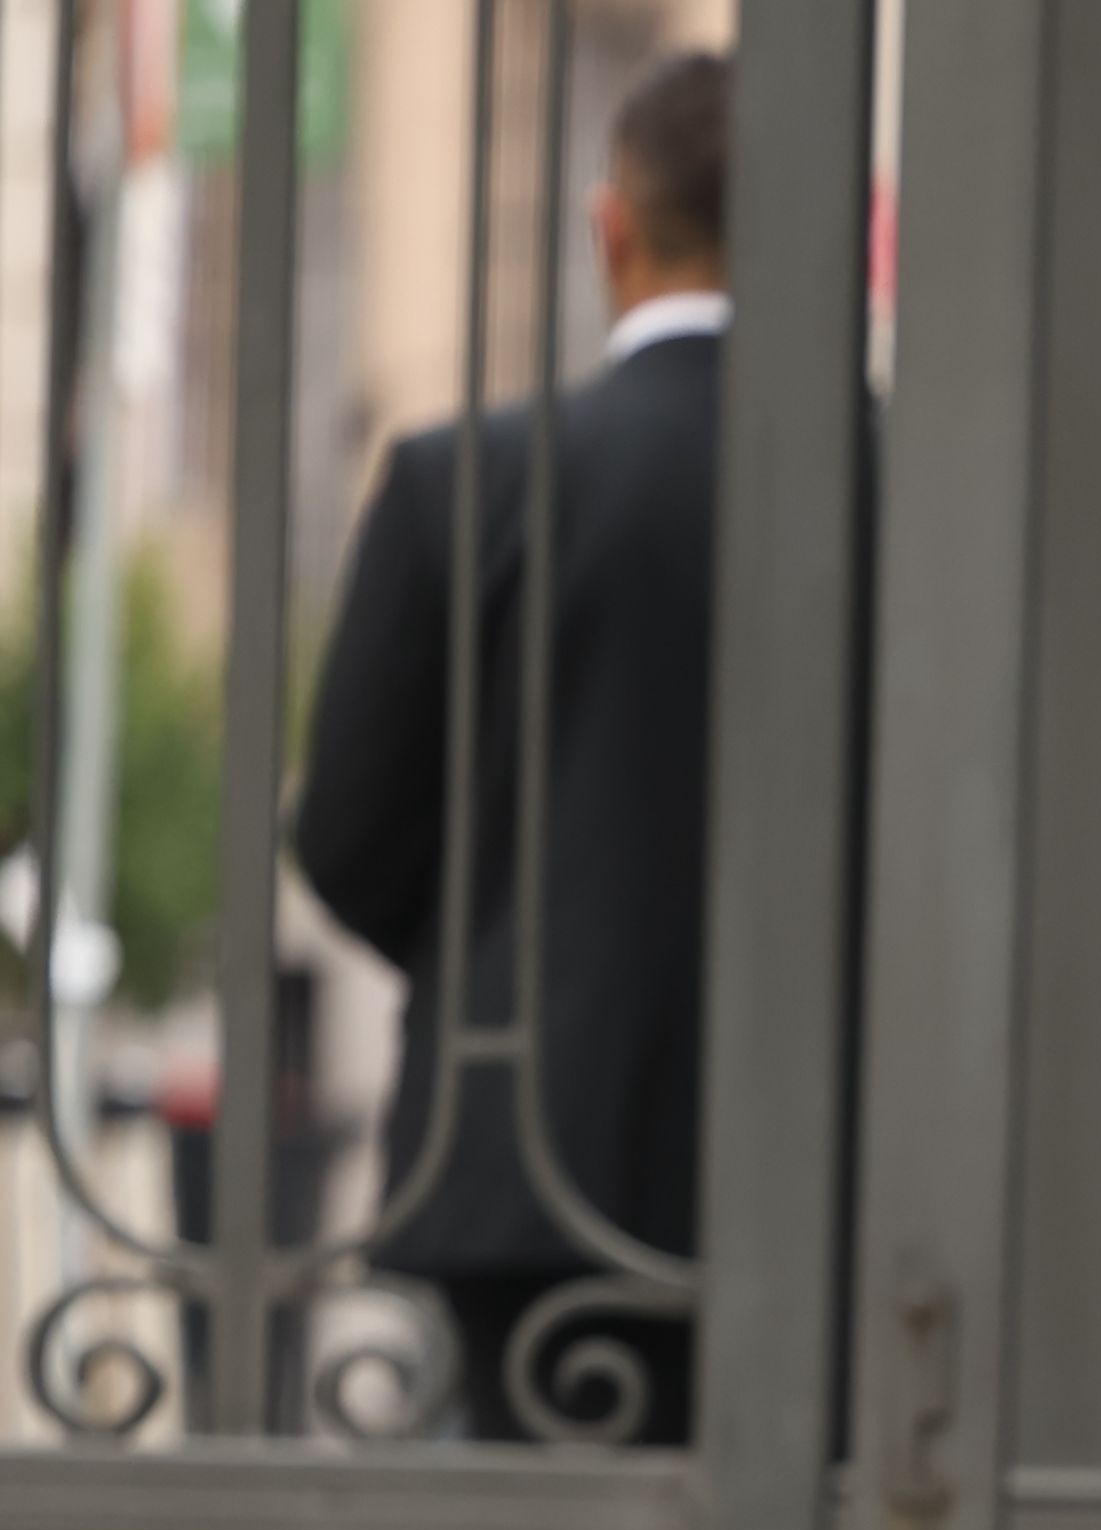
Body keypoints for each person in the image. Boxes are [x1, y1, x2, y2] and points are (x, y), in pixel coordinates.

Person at [294, 49, 733, 1443]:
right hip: (844, 1172)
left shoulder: (464, 482)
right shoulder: (904, 479)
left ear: (611, 230)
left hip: (534, 1169)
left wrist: (502, 951)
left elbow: (346, 833)